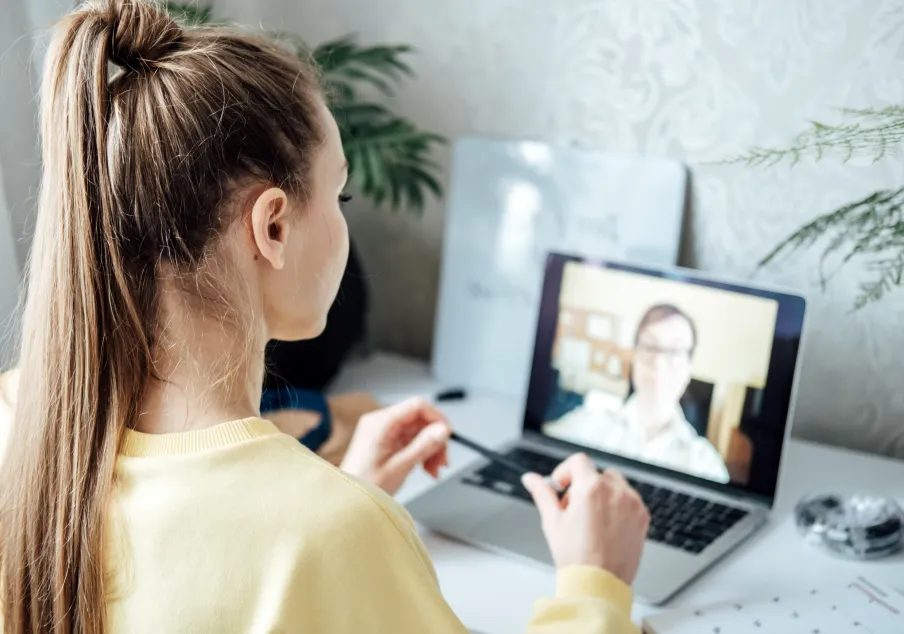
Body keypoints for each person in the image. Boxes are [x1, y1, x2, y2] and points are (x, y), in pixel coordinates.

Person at [0, 1, 651, 632]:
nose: (343, 219)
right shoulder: (329, 536)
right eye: (339, 191)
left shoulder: (29, 445)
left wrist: (342, 501)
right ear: (273, 225)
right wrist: (595, 585)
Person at [544, 304, 730, 483]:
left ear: (688, 369)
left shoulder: (705, 463)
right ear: (634, 356)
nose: (659, 363)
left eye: (675, 351)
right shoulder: (586, 425)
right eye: (650, 346)